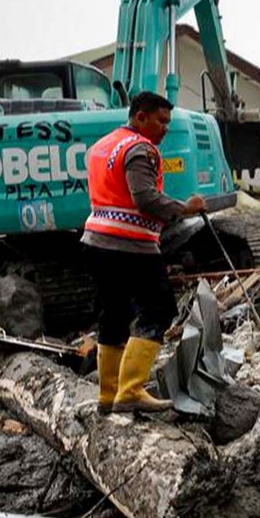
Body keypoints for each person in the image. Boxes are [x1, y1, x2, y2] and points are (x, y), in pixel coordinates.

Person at [82, 91, 207, 414]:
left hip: (96, 241)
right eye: (161, 121)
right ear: (140, 116)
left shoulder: (103, 146)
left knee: (114, 315)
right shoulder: (141, 149)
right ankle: (131, 390)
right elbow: (145, 198)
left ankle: (108, 396)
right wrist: (184, 208)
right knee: (160, 310)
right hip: (131, 244)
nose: (165, 128)